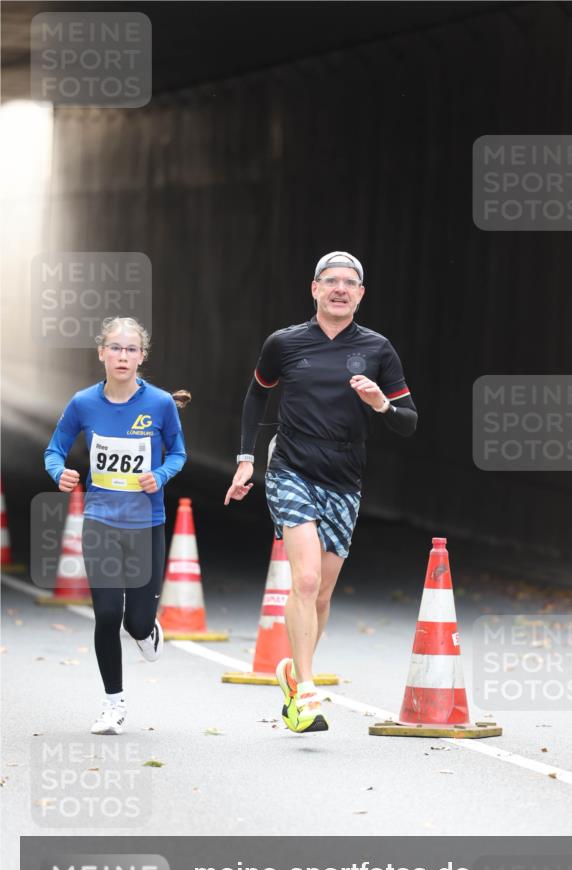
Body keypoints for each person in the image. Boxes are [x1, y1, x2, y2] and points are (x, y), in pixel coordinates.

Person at [225, 251, 417, 733]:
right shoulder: (284, 343)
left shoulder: (378, 349)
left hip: (345, 476)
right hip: (290, 465)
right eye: (330, 280)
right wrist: (247, 459)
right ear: (314, 289)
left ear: (360, 294)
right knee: (305, 580)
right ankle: (306, 688)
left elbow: (409, 421)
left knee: (324, 592)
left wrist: (380, 405)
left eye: (349, 282)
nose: (339, 288)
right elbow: (256, 394)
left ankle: (294, 674)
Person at [44, 317, 188, 735]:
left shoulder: (160, 404)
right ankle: (113, 704)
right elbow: (54, 450)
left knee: (136, 622)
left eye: (131, 349)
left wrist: (159, 475)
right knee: (107, 613)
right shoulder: (83, 403)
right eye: (115, 348)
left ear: (142, 357)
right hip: (100, 521)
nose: (122, 356)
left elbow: (178, 453)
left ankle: (147, 629)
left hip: (146, 524)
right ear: (101, 353)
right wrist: (60, 473)